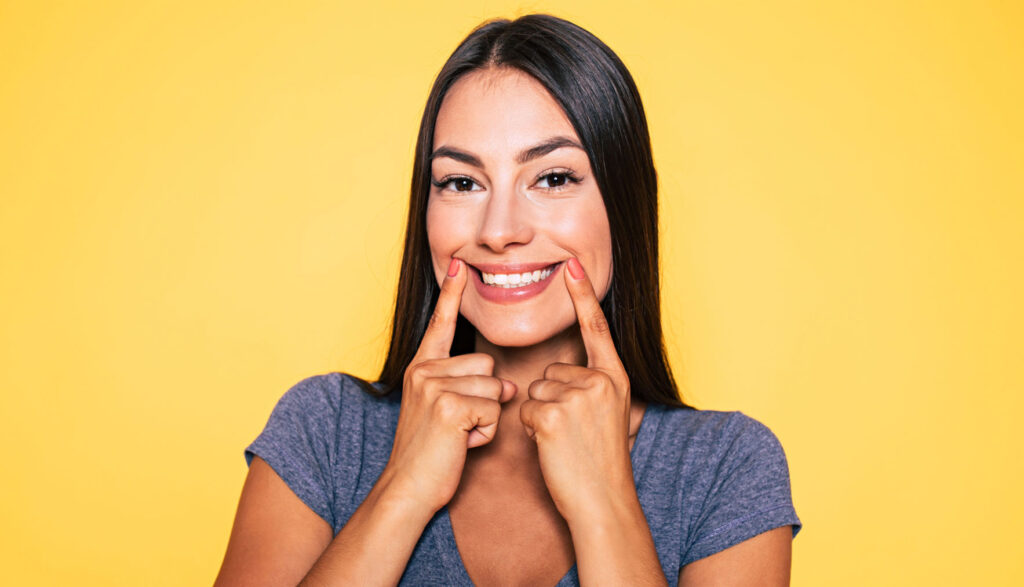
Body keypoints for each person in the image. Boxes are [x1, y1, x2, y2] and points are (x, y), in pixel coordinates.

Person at [215, 13, 801, 586]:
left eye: (552, 178)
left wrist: (604, 506)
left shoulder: (726, 466)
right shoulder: (325, 428)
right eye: (462, 182)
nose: (499, 230)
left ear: (625, 201)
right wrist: (402, 490)